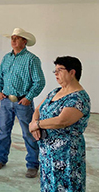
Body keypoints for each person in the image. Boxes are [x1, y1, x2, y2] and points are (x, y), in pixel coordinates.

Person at [29, 56, 90, 192]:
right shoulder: (56, 92)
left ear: (72, 72)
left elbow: (61, 121)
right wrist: (33, 123)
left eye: (60, 70)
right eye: (55, 70)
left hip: (66, 154)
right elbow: (38, 109)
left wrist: (37, 124)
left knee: (67, 184)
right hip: (48, 153)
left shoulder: (78, 98)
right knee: (49, 185)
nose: (56, 73)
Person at [0, 28, 45, 178]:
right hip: (6, 101)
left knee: (29, 133)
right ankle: (1, 159)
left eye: (17, 38)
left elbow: (39, 82)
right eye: (12, 38)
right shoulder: (6, 58)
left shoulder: (31, 59)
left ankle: (32, 165)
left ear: (24, 41)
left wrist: (28, 97)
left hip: (23, 102)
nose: (13, 40)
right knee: (3, 131)